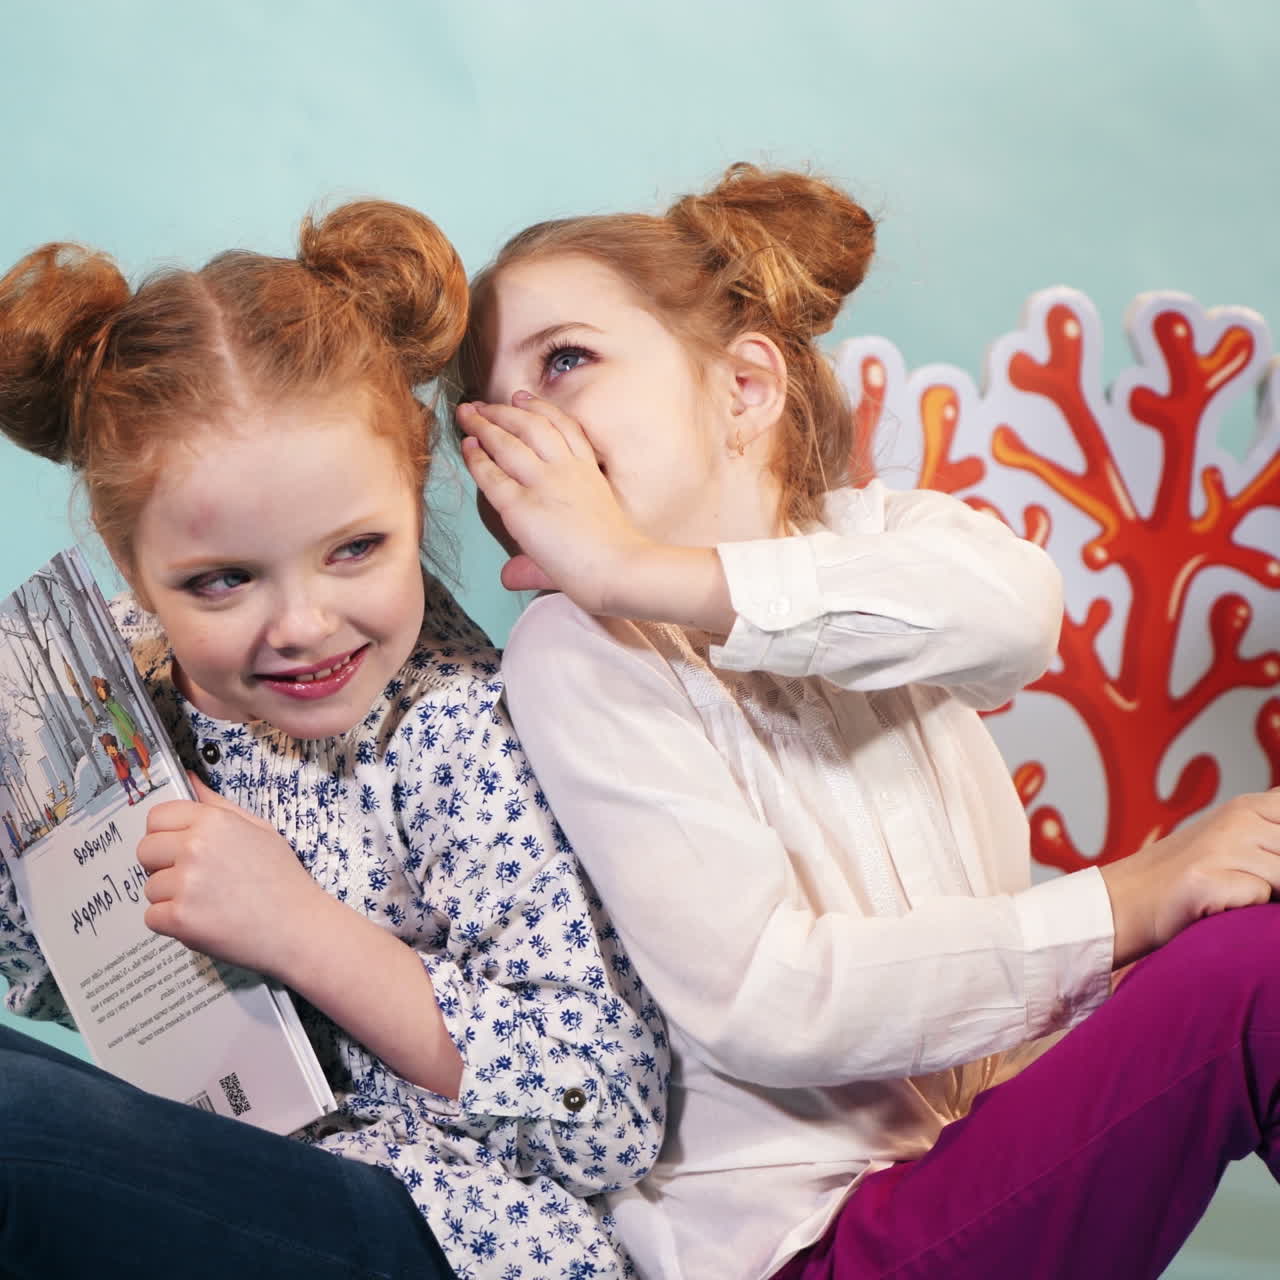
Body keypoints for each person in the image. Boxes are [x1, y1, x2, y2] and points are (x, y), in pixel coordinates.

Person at [453, 162, 1280, 1280]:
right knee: (1254, 971)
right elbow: (769, 1000)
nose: (524, 424)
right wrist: (1128, 899)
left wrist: (641, 568)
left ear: (743, 387)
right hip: (813, 1247)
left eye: (564, 359)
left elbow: (1014, 616)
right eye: (492, 401)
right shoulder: (573, 654)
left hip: (972, 1154)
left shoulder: (880, 536)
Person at [0, 200, 667, 1279]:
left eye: (355, 548)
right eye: (222, 579)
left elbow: (607, 1111)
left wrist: (299, 926)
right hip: (211, 1165)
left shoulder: (456, 733)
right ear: (130, 572)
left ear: (414, 500)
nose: (304, 623)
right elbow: (42, 969)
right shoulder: (107, 687)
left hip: (436, 1225)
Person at [92, 674, 155, 792]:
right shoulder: (108, 707)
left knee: (143, 759)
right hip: (127, 739)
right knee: (139, 762)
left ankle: (150, 783)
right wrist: (123, 743)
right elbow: (118, 725)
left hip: (131, 737)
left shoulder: (113, 704)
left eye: (101, 690)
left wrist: (134, 731)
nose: (101, 693)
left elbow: (125, 718)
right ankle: (149, 783)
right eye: (98, 692)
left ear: (106, 689)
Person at [99, 732, 144, 806]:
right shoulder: (116, 753)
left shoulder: (110, 751)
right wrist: (125, 760)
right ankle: (138, 792)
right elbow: (122, 760)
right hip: (125, 770)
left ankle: (131, 797)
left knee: (126, 784)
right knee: (131, 781)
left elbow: (114, 756)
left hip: (120, 772)